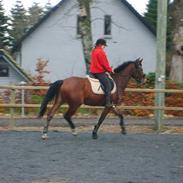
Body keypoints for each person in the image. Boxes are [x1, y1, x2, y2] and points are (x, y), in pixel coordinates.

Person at [89, 38, 113, 107]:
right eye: (104, 45)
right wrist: (110, 70)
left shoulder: (94, 51)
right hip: (99, 72)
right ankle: (107, 103)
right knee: (108, 84)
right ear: (100, 44)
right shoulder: (101, 52)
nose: (104, 47)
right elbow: (104, 64)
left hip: (92, 72)